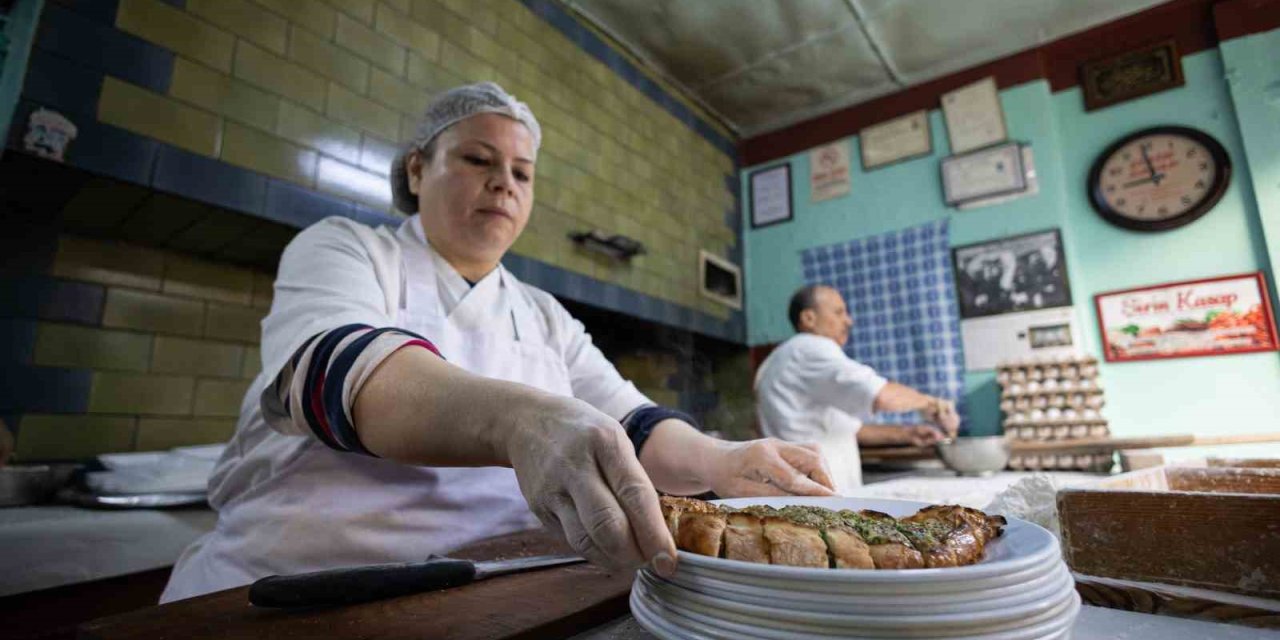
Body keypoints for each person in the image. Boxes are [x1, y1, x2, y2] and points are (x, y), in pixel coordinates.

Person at [160, 83, 835, 602]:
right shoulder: (348, 248)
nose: (503, 183)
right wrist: (518, 420)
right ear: (418, 170)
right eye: (478, 159)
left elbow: (631, 423)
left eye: (522, 172)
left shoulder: (540, 312)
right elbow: (336, 374)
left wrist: (724, 459)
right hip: (302, 588)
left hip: (492, 587)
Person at [754, 285, 961, 493]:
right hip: (821, 491)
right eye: (838, 312)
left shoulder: (775, 362)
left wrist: (908, 434)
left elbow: (849, 429)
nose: (848, 321)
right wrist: (932, 404)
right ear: (809, 318)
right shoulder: (810, 347)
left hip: (806, 490)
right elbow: (881, 395)